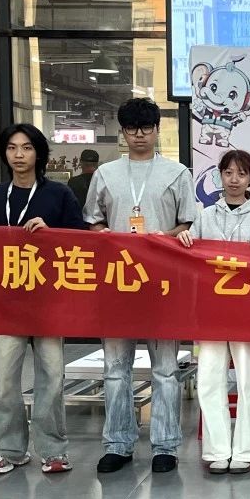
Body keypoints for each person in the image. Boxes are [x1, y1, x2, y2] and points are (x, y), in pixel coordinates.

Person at [83, 97, 198, 474]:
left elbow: (188, 223)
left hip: (162, 285)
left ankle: (165, 445)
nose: (139, 135)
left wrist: (166, 237)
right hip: (117, 285)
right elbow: (93, 221)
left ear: (157, 130)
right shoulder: (106, 174)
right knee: (116, 368)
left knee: (165, 369)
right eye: (132, 128)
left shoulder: (177, 173)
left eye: (146, 127)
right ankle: (118, 443)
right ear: (122, 132)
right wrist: (106, 235)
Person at [0, 124, 86, 475]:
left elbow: (82, 240)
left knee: (51, 378)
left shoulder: (59, 194)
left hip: (48, 301)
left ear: (39, 153)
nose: (18, 155)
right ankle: (8, 450)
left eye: (26, 148)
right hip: (6, 303)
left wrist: (53, 234)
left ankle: (53, 450)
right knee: (5, 382)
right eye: (11, 148)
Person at [178, 149, 250, 474]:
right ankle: (217, 449)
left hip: (248, 310)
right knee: (209, 378)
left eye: (241, 173)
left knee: (248, 380)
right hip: (212, 310)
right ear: (219, 176)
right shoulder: (205, 216)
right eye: (228, 172)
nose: (234, 179)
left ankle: (245, 450)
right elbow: (190, 257)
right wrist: (186, 237)